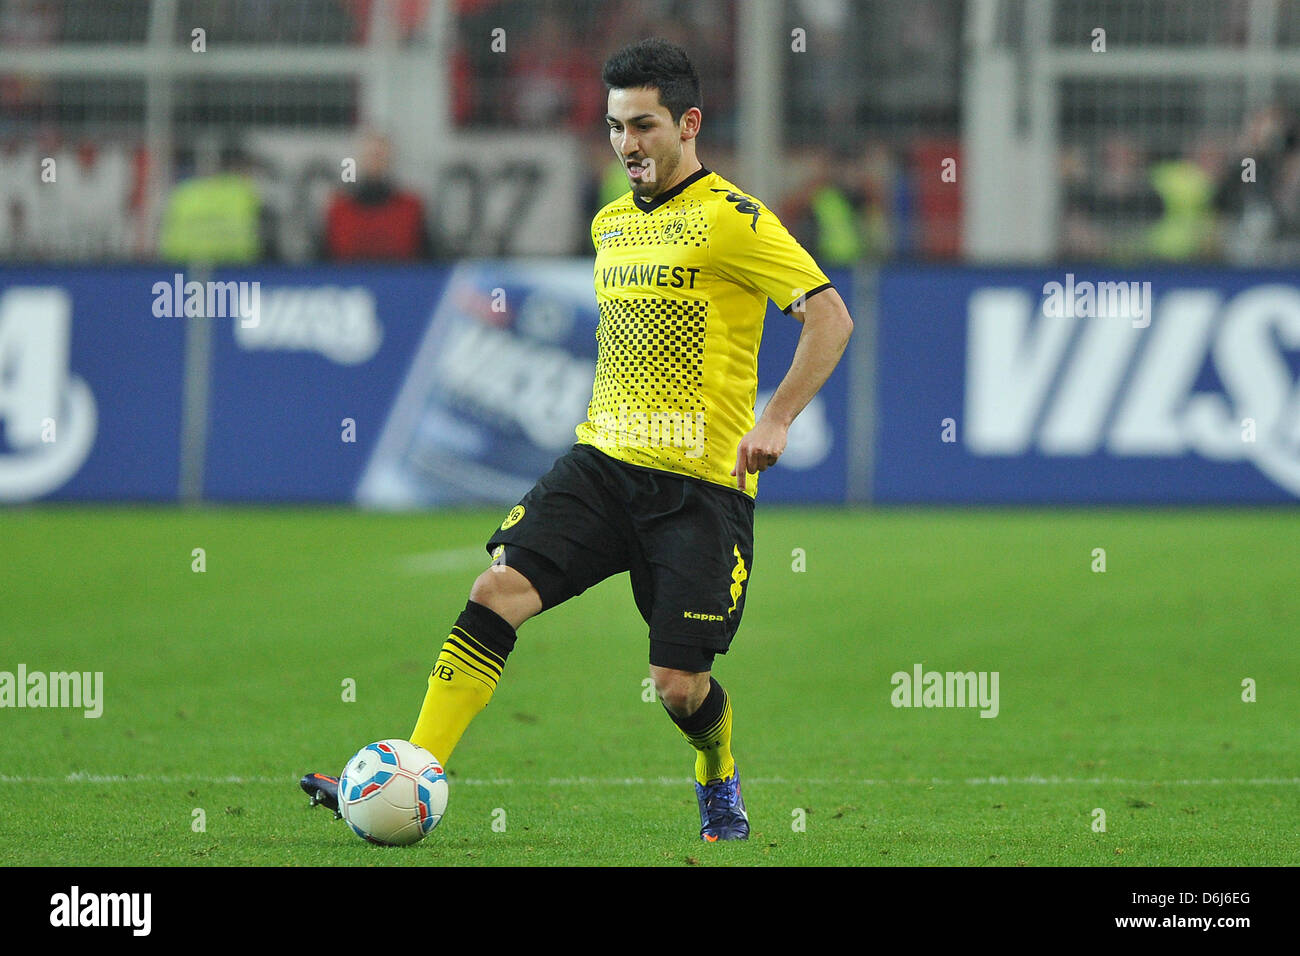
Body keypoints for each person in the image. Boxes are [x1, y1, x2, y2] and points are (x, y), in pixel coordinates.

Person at [302, 37, 853, 842]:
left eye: (644, 126)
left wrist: (776, 420)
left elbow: (829, 317)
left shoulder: (735, 221)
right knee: (495, 593)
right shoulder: (610, 225)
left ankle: (716, 772)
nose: (627, 144)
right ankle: (411, 773)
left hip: (700, 489)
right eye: (614, 126)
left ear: (689, 123)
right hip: (601, 465)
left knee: (678, 687)